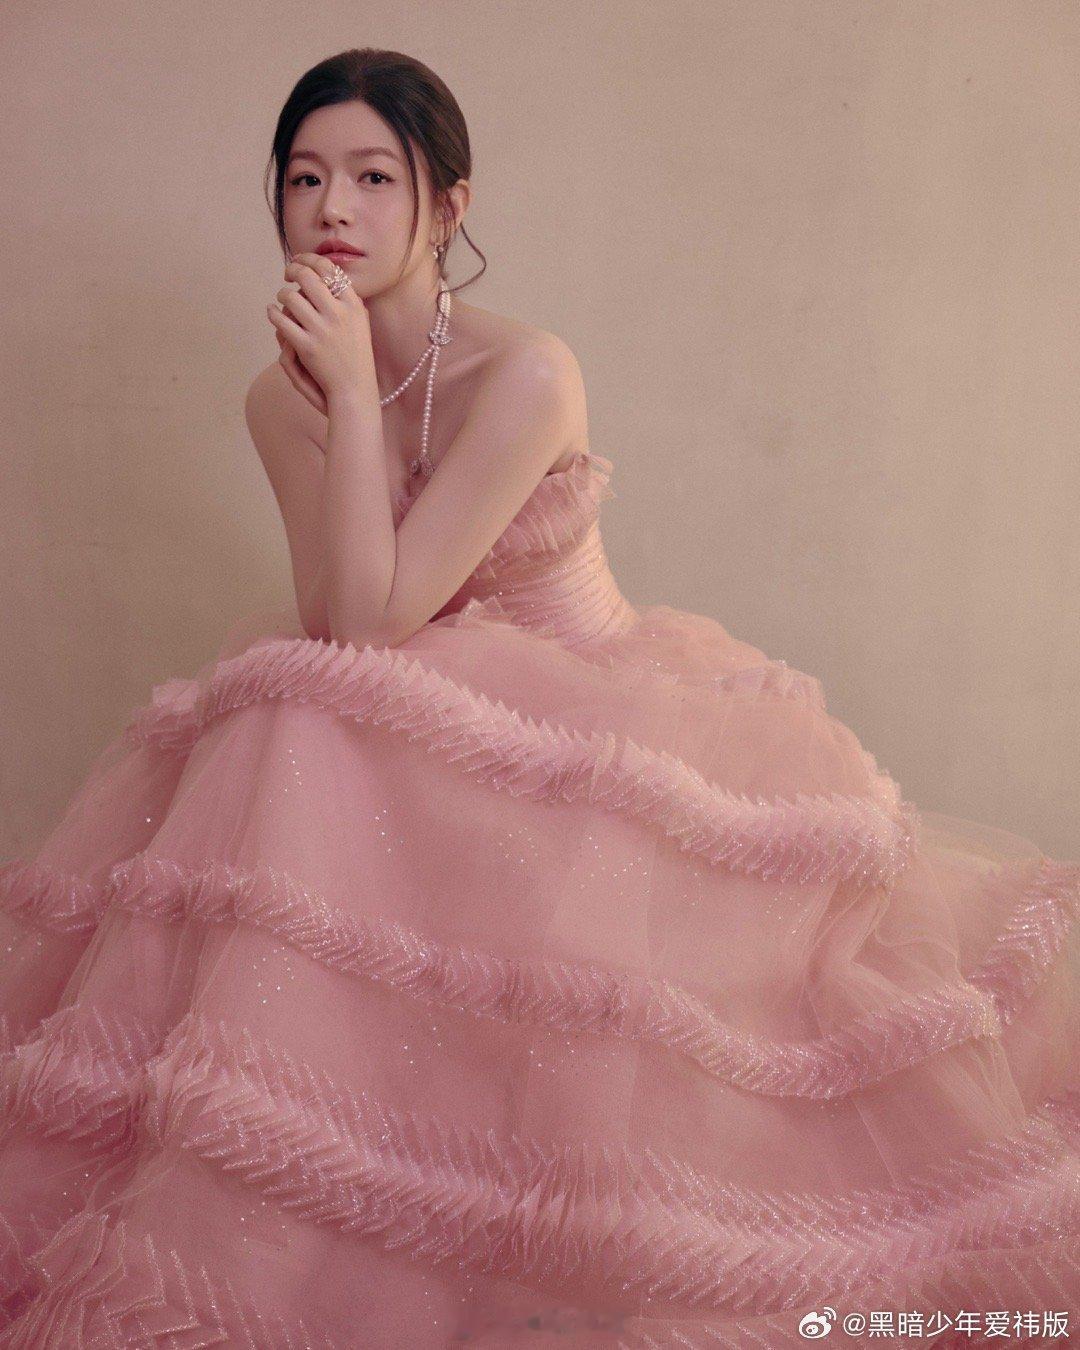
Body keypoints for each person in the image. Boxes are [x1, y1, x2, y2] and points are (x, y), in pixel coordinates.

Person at [0, 44, 1076, 1350]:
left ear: (448, 207)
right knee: (293, 709)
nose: (333, 209)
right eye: (304, 178)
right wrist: (338, 401)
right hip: (407, 740)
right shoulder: (276, 401)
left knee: (307, 717)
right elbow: (344, 623)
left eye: (375, 178)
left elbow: (382, 617)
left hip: (588, 722)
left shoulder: (527, 373)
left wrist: (354, 391)